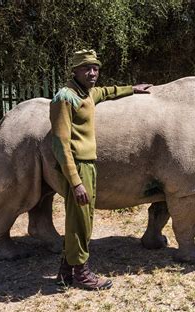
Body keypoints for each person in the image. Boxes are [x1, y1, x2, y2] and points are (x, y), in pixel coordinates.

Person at [50, 49, 152, 290]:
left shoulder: (86, 93)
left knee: (82, 219)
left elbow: (106, 92)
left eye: (95, 68)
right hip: (75, 166)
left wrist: (133, 89)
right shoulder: (65, 98)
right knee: (80, 221)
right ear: (74, 70)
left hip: (88, 164)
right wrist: (75, 181)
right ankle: (82, 273)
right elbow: (60, 144)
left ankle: (66, 272)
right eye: (87, 68)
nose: (93, 72)